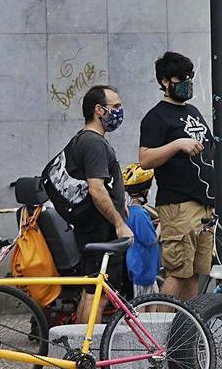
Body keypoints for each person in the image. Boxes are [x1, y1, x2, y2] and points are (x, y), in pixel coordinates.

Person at [139, 52, 222, 300]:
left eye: (190, 77)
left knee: (194, 272)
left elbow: (209, 150)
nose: (187, 82)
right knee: (178, 271)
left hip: (204, 206)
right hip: (179, 205)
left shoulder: (192, 112)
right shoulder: (156, 117)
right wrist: (177, 144)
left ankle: (187, 331)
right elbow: (145, 159)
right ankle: (160, 330)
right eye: (181, 78)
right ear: (165, 81)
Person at [71, 85, 133, 323]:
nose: (119, 111)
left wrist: (119, 203)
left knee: (92, 291)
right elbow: (96, 188)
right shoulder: (94, 143)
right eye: (115, 107)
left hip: (94, 226)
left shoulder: (85, 139)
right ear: (99, 110)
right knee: (97, 293)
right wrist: (118, 223)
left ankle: (80, 345)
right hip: (100, 228)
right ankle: (87, 350)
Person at [122, 163, 160, 298]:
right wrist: (162, 225)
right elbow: (151, 239)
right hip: (144, 268)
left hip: (136, 266)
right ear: (146, 191)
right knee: (145, 305)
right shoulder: (140, 213)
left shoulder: (129, 211)